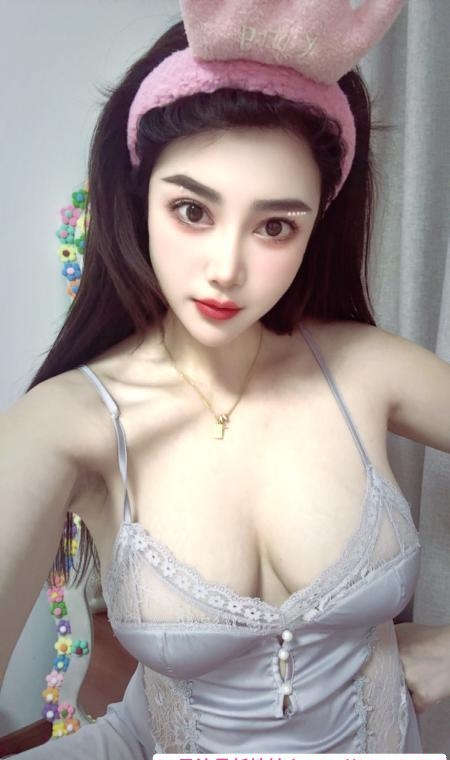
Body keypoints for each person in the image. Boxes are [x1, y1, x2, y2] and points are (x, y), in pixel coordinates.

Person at [1, 1, 450, 756]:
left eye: (275, 226)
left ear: (316, 227)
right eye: (191, 210)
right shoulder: (68, 424)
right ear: (139, 197)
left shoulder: (367, 368)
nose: (226, 269)